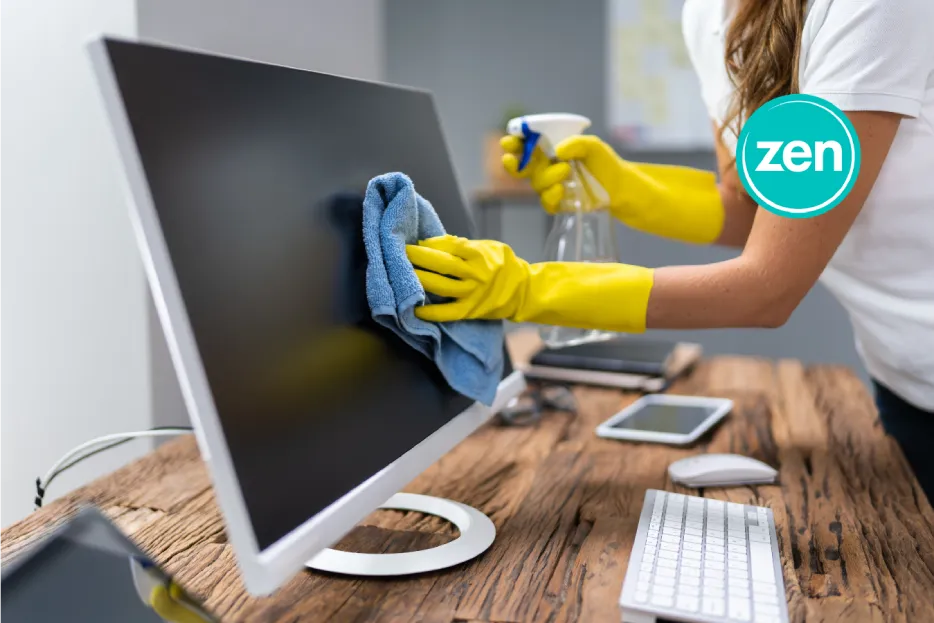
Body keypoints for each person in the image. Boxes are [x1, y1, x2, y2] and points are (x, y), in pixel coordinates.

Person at [405, 0, 934, 498]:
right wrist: (623, 186)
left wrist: (527, 290)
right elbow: (752, 208)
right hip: (899, 372)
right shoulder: (707, 14)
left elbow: (767, 287)